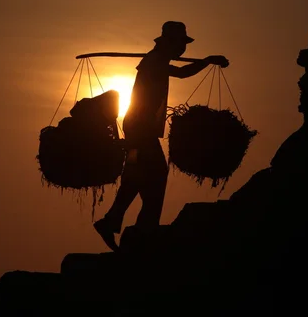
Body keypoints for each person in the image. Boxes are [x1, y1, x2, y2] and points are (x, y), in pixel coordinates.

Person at [93, 21, 229, 251]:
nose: (182, 50)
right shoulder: (155, 61)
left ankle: (116, 221)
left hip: (139, 128)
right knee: (155, 176)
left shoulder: (157, 61)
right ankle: (142, 229)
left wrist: (206, 61)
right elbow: (183, 73)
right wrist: (207, 60)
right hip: (139, 129)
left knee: (138, 174)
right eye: (180, 45)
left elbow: (178, 71)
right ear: (170, 44)